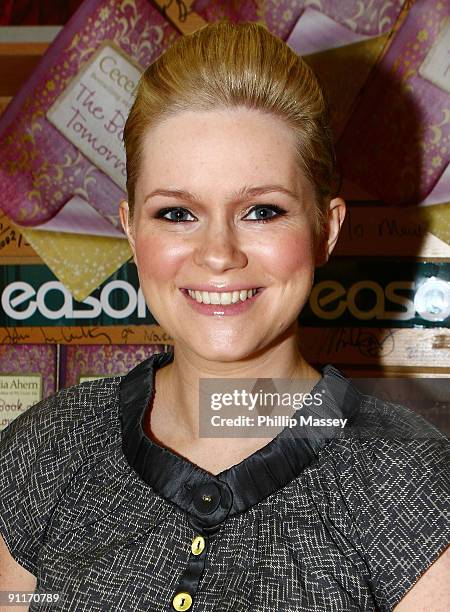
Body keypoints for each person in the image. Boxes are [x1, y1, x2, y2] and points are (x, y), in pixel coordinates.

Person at [0, 20, 449, 612]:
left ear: (326, 230)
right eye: (177, 214)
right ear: (131, 230)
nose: (218, 254)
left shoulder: (413, 489)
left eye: (262, 211)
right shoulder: (46, 450)